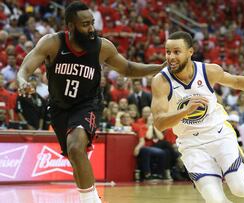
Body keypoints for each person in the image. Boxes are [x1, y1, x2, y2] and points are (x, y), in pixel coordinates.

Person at [16, 2, 165, 203]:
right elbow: (25, 68)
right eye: (85, 24)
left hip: (88, 104)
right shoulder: (52, 43)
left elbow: (128, 68)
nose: (91, 28)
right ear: (70, 26)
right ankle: (92, 198)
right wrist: (22, 81)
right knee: (74, 156)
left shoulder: (102, 46)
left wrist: (159, 68)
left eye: (92, 23)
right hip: (59, 108)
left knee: (76, 147)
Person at [151, 31, 244, 203]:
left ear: (190, 52)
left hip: (219, 134)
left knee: (240, 188)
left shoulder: (208, 71)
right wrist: (186, 110)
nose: (171, 57)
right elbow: (159, 123)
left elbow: (236, 81)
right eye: (168, 52)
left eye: (177, 52)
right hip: (191, 144)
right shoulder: (161, 82)